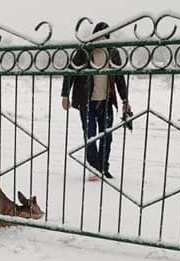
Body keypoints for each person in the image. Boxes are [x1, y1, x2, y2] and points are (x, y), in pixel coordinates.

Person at [61, 21, 132, 179]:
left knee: (107, 136)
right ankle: (96, 167)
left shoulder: (113, 53)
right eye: (98, 38)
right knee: (91, 136)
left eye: (104, 38)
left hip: (106, 102)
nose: (101, 42)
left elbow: (119, 78)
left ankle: (102, 168)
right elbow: (70, 72)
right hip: (87, 103)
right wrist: (65, 95)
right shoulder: (84, 52)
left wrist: (125, 100)